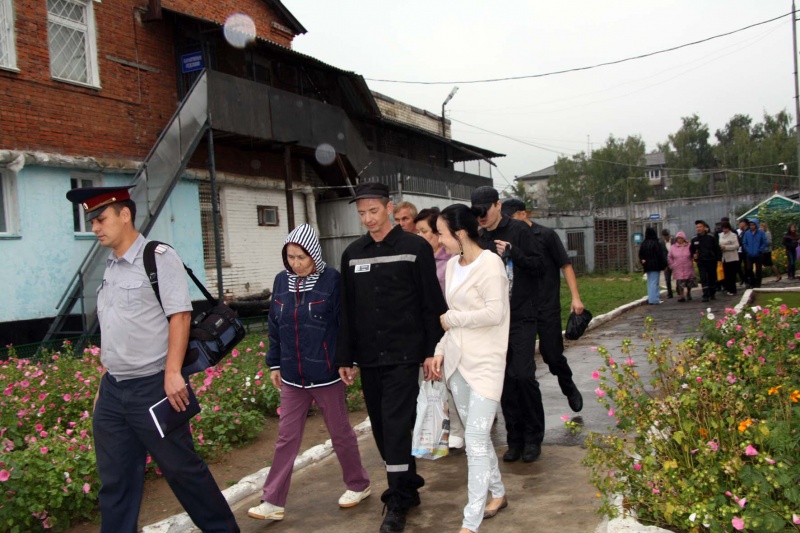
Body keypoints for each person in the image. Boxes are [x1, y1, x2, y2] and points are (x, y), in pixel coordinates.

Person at [65, 186, 239, 533]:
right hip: (114, 391)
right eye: (92, 221)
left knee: (182, 470)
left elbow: (180, 316)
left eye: (100, 219)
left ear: (124, 215)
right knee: (115, 481)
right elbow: (114, 328)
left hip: (154, 388)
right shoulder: (111, 266)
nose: (94, 227)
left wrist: (173, 372)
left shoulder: (158, 257)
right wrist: (103, 383)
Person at [336, 182, 447, 533]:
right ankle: (408, 487)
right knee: (383, 430)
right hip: (370, 358)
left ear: (388, 207)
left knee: (397, 426)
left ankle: (397, 501)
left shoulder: (415, 247)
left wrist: (431, 351)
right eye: (362, 213)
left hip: (404, 355)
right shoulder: (353, 253)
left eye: (373, 211)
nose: (368, 218)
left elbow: (430, 302)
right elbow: (347, 310)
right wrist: (346, 356)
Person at [248, 224, 371, 522]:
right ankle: (272, 501)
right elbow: (275, 325)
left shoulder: (332, 281)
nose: (296, 263)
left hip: (326, 373)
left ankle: (358, 484)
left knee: (340, 433)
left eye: (301, 257)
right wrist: (275, 363)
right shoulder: (281, 281)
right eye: (290, 257)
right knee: (286, 438)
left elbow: (345, 323)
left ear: (314, 254)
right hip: (292, 376)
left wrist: (349, 360)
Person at [429, 204, 510, 533]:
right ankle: (498, 493)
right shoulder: (451, 266)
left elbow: (494, 313)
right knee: (479, 438)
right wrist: (439, 350)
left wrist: (454, 318)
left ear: (460, 234)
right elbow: (451, 320)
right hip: (457, 364)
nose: (439, 240)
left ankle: (470, 521)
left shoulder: (490, 264)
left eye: (442, 233)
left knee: (475, 439)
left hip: (487, 362)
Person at [470, 188, 546, 464]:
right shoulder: (479, 238)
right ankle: (515, 439)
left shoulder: (518, 230)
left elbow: (540, 265)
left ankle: (533, 437)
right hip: (493, 321)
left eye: (485, 210)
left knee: (523, 375)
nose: (481, 216)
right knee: (504, 381)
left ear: (498, 205)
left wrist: (515, 255)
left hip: (522, 315)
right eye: (476, 212)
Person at [501, 198, 584, 413]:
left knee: (552, 354)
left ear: (523, 214)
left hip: (546, 305)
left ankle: (568, 386)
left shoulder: (546, 235)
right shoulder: (508, 239)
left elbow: (565, 265)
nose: (509, 222)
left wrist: (575, 297)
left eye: (511, 217)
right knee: (519, 362)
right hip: (520, 309)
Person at [413, 207, 465, 451]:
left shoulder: (451, 260)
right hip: (425, 325)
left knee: (450, 378)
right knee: (432, 379)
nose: (420, 236)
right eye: (418, 232)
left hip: (449, 324)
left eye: (425, 231)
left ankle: (459, 429)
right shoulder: (416, 258)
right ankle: (443, 428)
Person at [690, 220, 721, 303]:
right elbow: (692, 250)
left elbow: (717, 249)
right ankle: (705, 295)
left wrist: (719, 259)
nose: (698, 228)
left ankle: (712, 292)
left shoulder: (711, 237)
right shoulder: (694, 239)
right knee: (703, 278)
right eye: (697, 227)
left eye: (700, 227)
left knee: (712, 277)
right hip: (701, 262)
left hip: (711, 261)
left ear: (704, 228)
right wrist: (694, 255)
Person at [638, 227, 665, 305]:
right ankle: (654, 299)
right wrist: (663, 265)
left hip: (647, 266)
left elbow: (640, 254)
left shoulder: (644, 243)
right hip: (655, 265)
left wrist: (642, 260)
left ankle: (651, 298)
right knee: (655, 282)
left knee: (650, 282)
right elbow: (660, 255)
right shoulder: (656, 243)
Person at [668, 231, 696, 302]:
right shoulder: (673, 247)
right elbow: (669, 257)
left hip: (688, 266)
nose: (680, 240)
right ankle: (682, 296)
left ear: (684, 238)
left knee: (689, 281)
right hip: (678, 267)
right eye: (678, 238)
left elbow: (693, 253)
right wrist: (672, 265)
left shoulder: (689, 246)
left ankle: (688, 293)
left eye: (681, 238)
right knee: (680, 282)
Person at [742, 218, 767, 289]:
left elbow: (764, 242)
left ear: (756, 225)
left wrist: (760, 250)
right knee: (749, 268)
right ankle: (752, 282)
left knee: (758, 269)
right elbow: (744, 242)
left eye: (753, 225)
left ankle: (758, 283)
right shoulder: (747, 233)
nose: (752, 226)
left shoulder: (761, 233)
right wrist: (747, 250)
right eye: (750, 225)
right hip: (749, 254)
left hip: (758, 254)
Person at [718, 221, 740, 296]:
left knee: (732, 274)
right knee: (727, 274)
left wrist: (726, 247)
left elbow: (736, 245)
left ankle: (733, 290)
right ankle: (729, 289)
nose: (724, 230)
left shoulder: (733, 235)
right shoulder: (720, 235)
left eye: (726, 228)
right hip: (724, 258)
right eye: (723, 228)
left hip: (732, 257)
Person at [661, 229, 674, 298]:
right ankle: (670, 293)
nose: (667, 237)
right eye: (665, 235)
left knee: (678, 277)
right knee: (667, 279)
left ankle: (679, 290)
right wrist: (664, 265)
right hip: (666, 264)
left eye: (667, 235)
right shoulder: (662, 243)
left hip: (675, 263)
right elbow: (661, 255)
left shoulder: (674, 241)